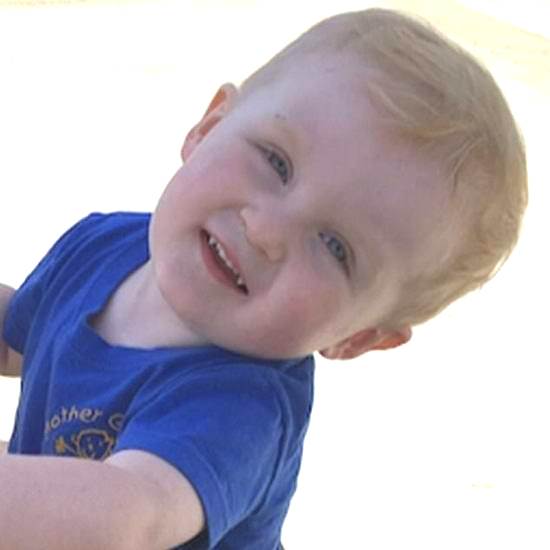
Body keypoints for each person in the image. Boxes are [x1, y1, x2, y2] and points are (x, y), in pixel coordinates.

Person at [0, 7, 527, 550]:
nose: (266, 231)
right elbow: (26, 338)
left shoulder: (242, 405)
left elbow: (125, 518)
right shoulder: (105, 245)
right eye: (276, 162)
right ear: (209, 127)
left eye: (335, 247)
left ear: (358, 336)